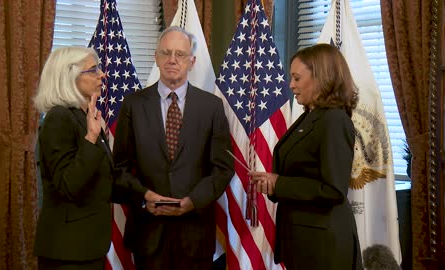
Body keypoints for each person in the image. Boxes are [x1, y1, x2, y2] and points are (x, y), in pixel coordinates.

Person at [113, 26, 234, 270]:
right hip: (148, 234)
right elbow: (120, 168)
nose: (172, 60)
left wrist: (193, 200)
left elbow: (222, 168)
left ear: (192, 61)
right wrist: (144, 197)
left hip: (195, 234)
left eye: (180, 54)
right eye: (166, 52)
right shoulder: (133, 105)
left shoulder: (211, 107)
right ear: (156, 58)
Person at [249, 43, 363, 270]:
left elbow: (333, 189)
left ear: (322, 78)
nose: (291, 85)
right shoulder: (312, 116)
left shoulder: (333, 121)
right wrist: (273, 184)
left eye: (297, 78)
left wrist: (279, 183)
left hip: (323, 246)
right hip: (305, 242)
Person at [34, 46, 116, 269]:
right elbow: (68, 185)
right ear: (68, 78)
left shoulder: (83, 117)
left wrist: (146, 195)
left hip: (87, 246)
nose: (102, 75)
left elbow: (103, 180)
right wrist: (91, 137)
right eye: (93, 70)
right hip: (67, 251)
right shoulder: (58, 119)